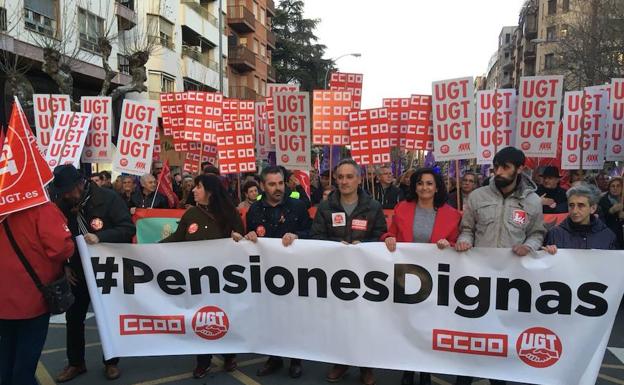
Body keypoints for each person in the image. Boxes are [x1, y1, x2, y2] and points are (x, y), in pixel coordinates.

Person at [455, 147, 545, 385]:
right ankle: (463, 377)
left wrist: (529, 246)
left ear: (520, 169)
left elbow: (537, 234)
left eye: (505, 167)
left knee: (500, 337)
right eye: (496, 167)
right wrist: (464, 242)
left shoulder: (533, 202)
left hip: (511, 281)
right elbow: (467, 229)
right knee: (471, 335)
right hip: (477, 279)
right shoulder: (477, 196)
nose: (499, 172)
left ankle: (498, 379)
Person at [52, 165, 135, 382]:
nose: (67, 195)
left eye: (69, 190)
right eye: (63, 192)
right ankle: (76, 363)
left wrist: (102, 236)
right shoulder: (61, 204)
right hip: (78, 270)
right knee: (74, 318)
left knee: (108, 316)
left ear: (80, 183)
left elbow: (128, 229)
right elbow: (58, 239)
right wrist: (65, 265)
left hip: (105, 268)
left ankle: (111, 362)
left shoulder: (108, 198)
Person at [381, 168, 461, 385]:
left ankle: (425, 371)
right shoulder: (402, 208)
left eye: (429, 183)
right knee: (407, 325)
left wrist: (450, 244)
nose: (424, 187)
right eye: (420, 183)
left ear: (437, 187)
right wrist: (388, 237)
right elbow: (391, 233)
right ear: (414, 186)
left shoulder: (452, 214)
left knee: (428, 328)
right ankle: (407, 370)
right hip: (406, 277)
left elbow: (458, 244)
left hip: (435, 281)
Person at [311, 159, 387, 385]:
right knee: (339, 321)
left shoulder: (373, 207)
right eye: (340, 177)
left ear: (359, 179)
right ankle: (340, 362)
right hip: (336, 276)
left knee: (365, 321)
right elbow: (316, 237)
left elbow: (381, 235)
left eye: (349, 177)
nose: (344, 181)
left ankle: (366, 366)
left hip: (365, 277)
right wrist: (337, 245)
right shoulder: (326, 207)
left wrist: (364, 248)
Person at [161, 175, 244, 378]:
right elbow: (177, 238)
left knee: (225, 316)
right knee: (202, 318)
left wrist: (238, 239)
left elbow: (242, 241)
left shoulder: (229, 214)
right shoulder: (190, 215)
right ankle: (203, 361)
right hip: (197, 279)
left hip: (223, 279)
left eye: (198, 187)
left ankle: (229, 355)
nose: (194, 191)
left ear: (210, 191)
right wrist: (151, 249)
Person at [233, 166, 312, 379]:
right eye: (272, 184)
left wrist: (298, 236)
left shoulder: (298, 206)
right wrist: (249, 236)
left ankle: (296, 359)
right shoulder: (255, 210)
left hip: (294, 272)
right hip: (266, 274)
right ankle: (274, 358)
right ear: (262, 185)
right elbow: (251, 237)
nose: (278, 188)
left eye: (280, 183)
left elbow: (311, 233)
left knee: (293, 316)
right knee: (269, 316)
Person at [0, 203, 74, 385]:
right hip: (31, 298)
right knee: (25, 362)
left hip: (4, 299)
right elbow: (61, 248)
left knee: (6, 356)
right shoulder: (41, 208)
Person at [543, 183, 618, 252]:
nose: (574, 211)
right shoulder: (555, 234)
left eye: (581, 205)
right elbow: (545, 263)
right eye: (571, 205)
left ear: (593, 208)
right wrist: (548, 254)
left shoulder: (607, 236)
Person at [598, 177, 623, 248]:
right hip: (609, 235)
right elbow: (603, 216)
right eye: (613, 186)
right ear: (609, 188)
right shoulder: (603, 200)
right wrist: (612, 210)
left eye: (618, 186)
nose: (615, 188)